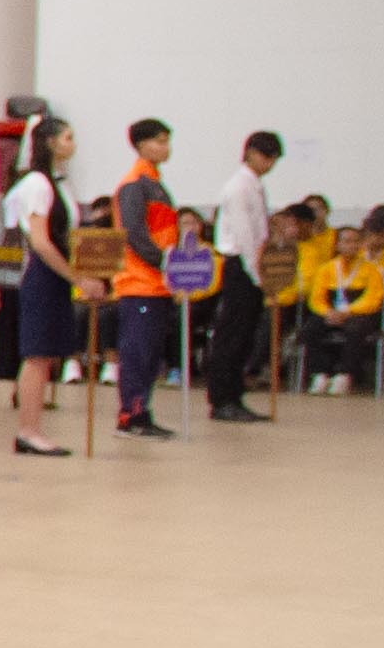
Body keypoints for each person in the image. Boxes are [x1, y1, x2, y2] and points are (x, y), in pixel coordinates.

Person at [0, 115, 83, 454]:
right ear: (49, 142)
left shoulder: (57, 183)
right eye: (67, 137)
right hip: (39, 273)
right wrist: (77, 277)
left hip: (52, 273)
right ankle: (28, 430)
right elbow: (41, 241)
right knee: (37, 353)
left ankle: (33, 426)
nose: (72, 144)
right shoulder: (37, 183)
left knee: (45, 354)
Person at [107, 118, 184, 437]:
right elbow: (134, 234)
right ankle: (130, 416)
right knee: (137, 353)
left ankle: (142, 411)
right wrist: (166, 262)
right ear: (141, 145)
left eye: (167, 141)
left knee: (151, 354)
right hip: (139, 283)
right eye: (159, 141)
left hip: (157, 284)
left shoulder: (155, 183)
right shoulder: (134, 184)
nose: (166, 148)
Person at [201, 128, 284, 422]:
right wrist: (255, 272)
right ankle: (222, 398)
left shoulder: (254, 185)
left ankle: (234, 395)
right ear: (250, 153)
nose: (269, 163)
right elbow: (245, 234)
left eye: (274, 159)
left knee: (245, 334)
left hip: (252, 264)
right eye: (266, 156)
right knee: (232, 333)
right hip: (242, 264)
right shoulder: (239, 187)